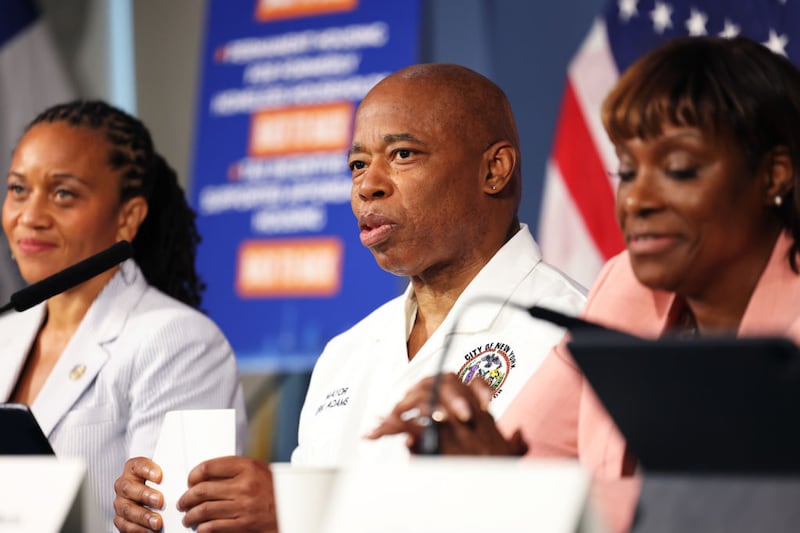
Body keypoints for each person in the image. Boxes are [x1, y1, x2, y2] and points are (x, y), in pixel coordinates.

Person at [112, 63, 587, 532]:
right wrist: (192, 508)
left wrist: (298, 512)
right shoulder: (347, 353)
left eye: (401, 154)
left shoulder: (576, 334)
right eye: (357, 164)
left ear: (494, 170)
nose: (366, 185)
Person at [368, 35, 800, 532]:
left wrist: (509, 488)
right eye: (627, 170)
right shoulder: (626, 291)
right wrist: (470, 448)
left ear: (774, 176)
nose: (637, 200)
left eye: (678, 170)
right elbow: (527, 461)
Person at [0, 100, 247, 529]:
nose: (29, 216)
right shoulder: (7, 329)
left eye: (62, 193)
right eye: (18, 189)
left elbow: (173, 523)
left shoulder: (179, 341)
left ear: (128, 217)